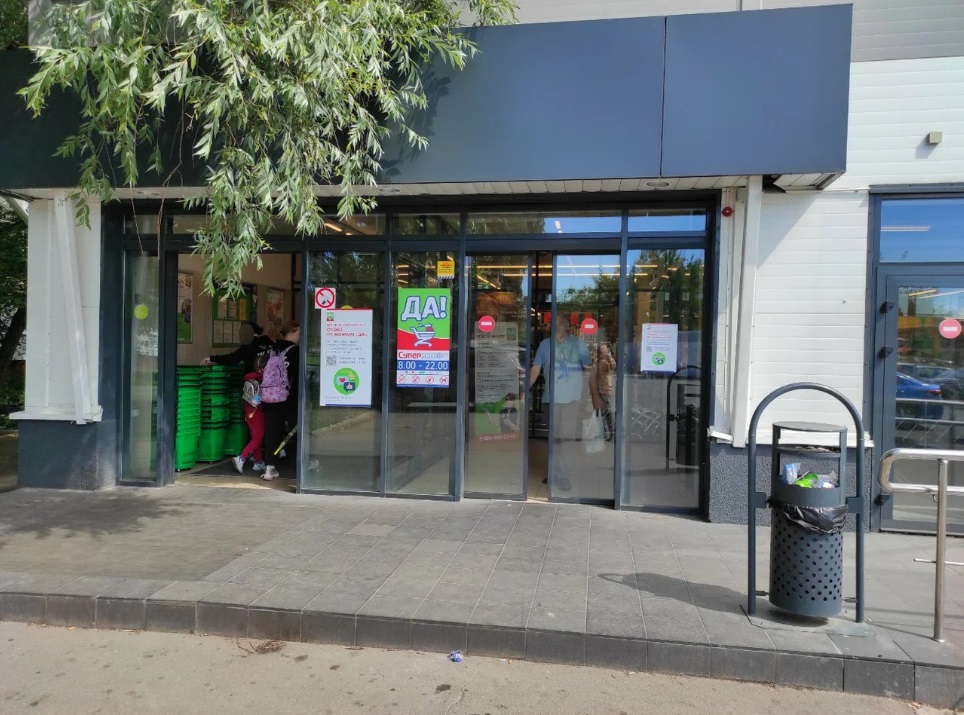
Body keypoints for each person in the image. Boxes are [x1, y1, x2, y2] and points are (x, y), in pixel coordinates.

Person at [529, 313, 593, 491]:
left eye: (561, 323)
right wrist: (524, 389)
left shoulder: (578, 344)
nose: (558, 326)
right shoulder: (544, 345)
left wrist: (593, 395)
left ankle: (563, 475)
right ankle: (554, 471)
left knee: (565, 438)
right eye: (554, 323)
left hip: (571, 400)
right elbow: (536, 368)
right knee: (553, 438)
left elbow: (589, 369)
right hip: (550, 399)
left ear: (567, 326)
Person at [261, 320, 300, 481]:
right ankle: (304, 462)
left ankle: (269, 468)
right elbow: (298, 377)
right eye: (299, 333)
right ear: (292, 332)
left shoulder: (272, 348)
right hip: (287, 398)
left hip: (270, 396)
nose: (300, 337)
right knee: (298, 429)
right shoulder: (295, 351)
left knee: (272, 432)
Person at [201, 323, 273, 373]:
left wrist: (212, 359)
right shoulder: (268, 341)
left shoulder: (248, 346)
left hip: (254, 383)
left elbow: (231, 359)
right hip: (273, 384)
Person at [233, 365, 266, 473]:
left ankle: (258, 462)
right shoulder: (263, 379)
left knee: (254, 437)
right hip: (258, 411)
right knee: (258, 438)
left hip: (248, 410)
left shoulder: (250, 377)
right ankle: (241, 458)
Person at [590, 343, 617, 441]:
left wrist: (609, 357)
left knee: (608, 412)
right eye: (601, 351)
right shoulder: (597, 362)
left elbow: (613, 366)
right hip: (599, 390)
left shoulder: (609, 361)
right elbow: (593, 374)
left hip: (607, 390)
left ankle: (611, 432)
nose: (603, 353)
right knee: (601, 413)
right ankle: (604, 433)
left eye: (604, 350)